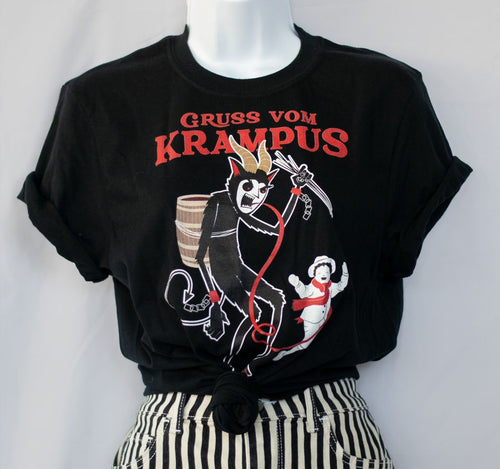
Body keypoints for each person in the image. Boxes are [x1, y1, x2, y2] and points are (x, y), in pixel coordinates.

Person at [17, 0, 473, 467]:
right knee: (266, 304)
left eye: (261, 188)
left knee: (272, 303)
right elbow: (223, 233)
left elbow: (272, 225)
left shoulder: (383, 94)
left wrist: (296, 195)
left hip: (324, 435)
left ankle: (244, 352)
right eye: (249, 187)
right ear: (237, 181)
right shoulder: (102, 104)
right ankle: (232, 338)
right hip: (177, 438)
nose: (255, 195)